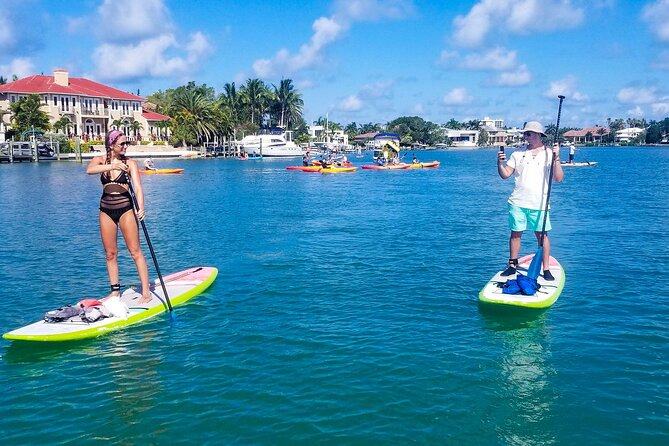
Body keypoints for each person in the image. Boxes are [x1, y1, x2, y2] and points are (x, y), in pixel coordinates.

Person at [86, 130, 152, 303]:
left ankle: (146, 292)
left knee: (135, 251)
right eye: (122, 144)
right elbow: (90, 170)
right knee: (110, 253)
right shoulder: (101, 160)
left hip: (126, 208)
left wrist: (142, 207)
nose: (125, 147)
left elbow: (137, 187)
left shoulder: (130, 163)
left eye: (126, 143)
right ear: (111, 145)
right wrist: (113, 166)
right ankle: (115, 292)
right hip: (106, 209)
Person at [497, 121, 564, 281]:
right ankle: (512, 265)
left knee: (542, 237)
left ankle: (546, 268)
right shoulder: (517, 154)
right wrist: (499, 163)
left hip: (539, 203)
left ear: (539, 135)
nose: (526, 136)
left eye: (529, 133)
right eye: (525, 133)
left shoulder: (549, 154)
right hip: (517, 202)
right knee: (515, 234)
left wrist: (557, 158)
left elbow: (558, 178)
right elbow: (505, 174)